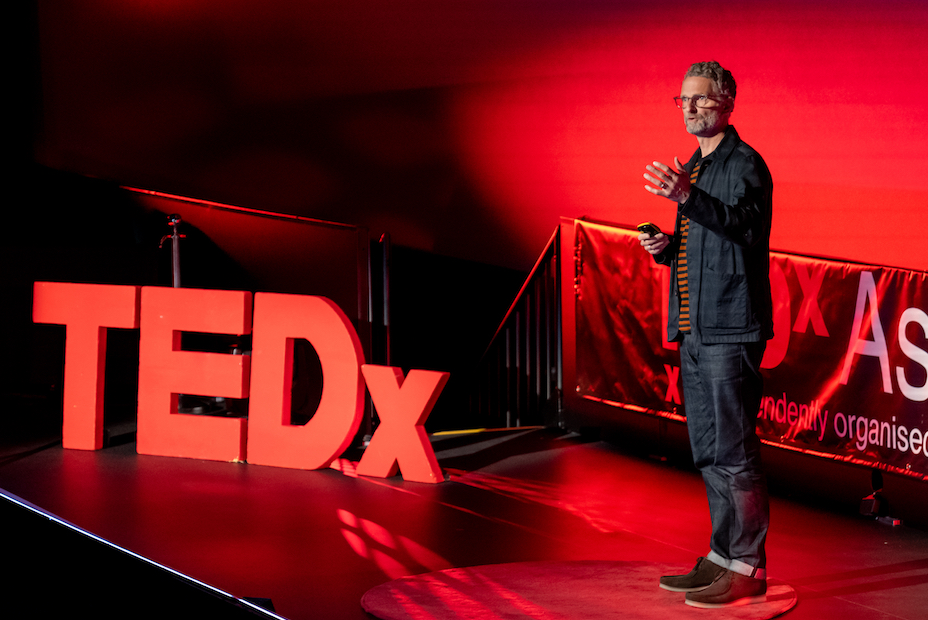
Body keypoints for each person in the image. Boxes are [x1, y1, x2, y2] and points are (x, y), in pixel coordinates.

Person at [639, 61, 774, 608]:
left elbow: (744, 228)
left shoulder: (747, 165)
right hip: (695, 331)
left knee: (736, 453)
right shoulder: (696, 165)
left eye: (700, 99)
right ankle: (722, 556)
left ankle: (749, 565)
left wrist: (685, 197)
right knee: (710, 450)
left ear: (727, 104)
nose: (689, 108)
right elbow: (709, 251)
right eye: (683, 100)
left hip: (731, 330)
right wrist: (665, 249)